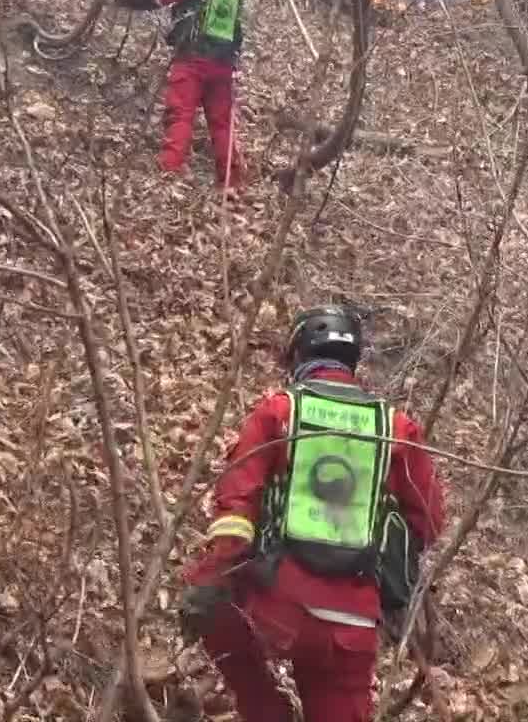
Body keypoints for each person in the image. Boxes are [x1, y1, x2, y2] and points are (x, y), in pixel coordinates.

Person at [176, 305, 447, 722]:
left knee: (209, 603)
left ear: (299, 355)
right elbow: (427, 522)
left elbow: (237, 504)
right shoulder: (394, 426)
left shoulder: (279, 412)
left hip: (275, 606)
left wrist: (211, 579)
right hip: (352, 624)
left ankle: (266, 711)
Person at [112, 0, 249, 191]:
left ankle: (169, 174)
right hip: (223, 63)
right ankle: (232, 184)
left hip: (193, 58)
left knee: (180, 114)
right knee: (222, 124)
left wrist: (117, 0)